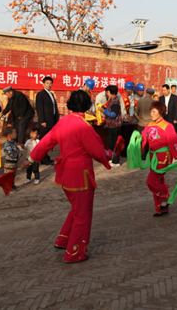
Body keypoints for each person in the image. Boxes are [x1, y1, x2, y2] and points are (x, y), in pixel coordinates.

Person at [26, 89, 112, 263]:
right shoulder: (84, 126)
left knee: (76, 208)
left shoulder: (63, 121)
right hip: (80, 174)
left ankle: (63, 239)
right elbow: (97, 151)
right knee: (83, 214)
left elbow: (46, 141)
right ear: (87, 106)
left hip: (65, 172)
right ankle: (74, 252)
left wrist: (31, 158)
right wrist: (108, 154)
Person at [141, 101, 177, 216]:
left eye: (154, 111)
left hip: (163, 157)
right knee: (158, 181)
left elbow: (174, 141)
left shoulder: (167, 126)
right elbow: (143, 138)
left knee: (151, 181)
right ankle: (161, 208)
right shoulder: (149, 125)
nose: (151, 114)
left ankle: (165, 197)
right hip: (153, 157)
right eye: (151, 111)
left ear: (161, 112)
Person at [35, 76, 60, 164]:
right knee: (43, 141)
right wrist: (42, 121)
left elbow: (54, 108)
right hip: (45, 122)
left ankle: (46, 157)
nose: (49, 85)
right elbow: (39, 108)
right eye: (47, 83)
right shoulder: (40, 94)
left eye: (50, 83)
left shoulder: (51, 94)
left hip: (51, 121)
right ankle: (43, 159)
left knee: (48, 141)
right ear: (43, 84)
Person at [100, 85, 122, 167]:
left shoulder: (115, 102)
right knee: (111, 143)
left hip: (114, 126)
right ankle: (113, 159)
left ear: (111, 92)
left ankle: (116, 161)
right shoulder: (111, 100)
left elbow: (113, 115)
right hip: (110, 125)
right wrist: (105, 109)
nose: (106, 93)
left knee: (115, 144)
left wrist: (104, 111)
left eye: (107, 92)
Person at [136, 88, 155, 161]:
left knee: (142, 140)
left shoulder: (140, 101)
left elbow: (137, 112)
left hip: (141, 123)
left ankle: (142, 155)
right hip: (151, 124)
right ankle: (149, 155)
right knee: (151, 141)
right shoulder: (154, 102)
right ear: (152, 94)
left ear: (146, 92)